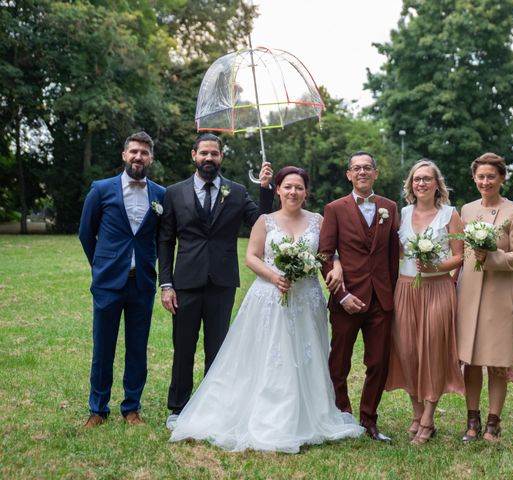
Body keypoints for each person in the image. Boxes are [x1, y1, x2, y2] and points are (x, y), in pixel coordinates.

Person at [169, 166, 364, 453]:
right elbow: (252, 256)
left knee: (307, 354)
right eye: (287, 187)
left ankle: (312, 413)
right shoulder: (265, 221)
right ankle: (268, 416)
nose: (293, 192)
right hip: (270, 296)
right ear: (278, 190)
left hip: (306, 298)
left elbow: (328, 253)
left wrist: (336, 266)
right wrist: (274, 277)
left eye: (298, 187)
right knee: (271, 355)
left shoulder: (318, 221)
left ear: (306, 192)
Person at [158, 133, 274, 429]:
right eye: (204, 153)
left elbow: (260, 222)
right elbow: (166, 240)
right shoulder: (174, 193)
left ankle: (214, 405)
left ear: (222, 157)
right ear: (193, 155)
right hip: (185, 281)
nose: (209, 158)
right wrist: (166, 284)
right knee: (183, 347)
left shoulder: (235, 192)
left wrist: (264, 190)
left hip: (222, 282)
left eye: (215, 153)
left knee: (219, 349)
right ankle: (179, 406)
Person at [78, 131, 165, 428]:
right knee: (103, 348)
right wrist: (101, 265)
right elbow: (85, 233)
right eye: (133, 152)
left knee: (137, 348)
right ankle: (97, 409)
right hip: (107, 283)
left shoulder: (160, 195)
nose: (138, 157)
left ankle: (131, 407)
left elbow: (160, 238)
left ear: (150, 158)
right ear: (124, 156)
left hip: (141, 283)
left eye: (144, 152)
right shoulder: (101, 190)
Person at [318, 151, 400, 443]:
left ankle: (369, 420)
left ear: (376, 173)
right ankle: (342, 414)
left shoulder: (389, 207)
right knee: (339, 362)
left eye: (368, 168)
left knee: (378, 362)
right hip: (346, 299)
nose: (362, 172)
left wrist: (390, 295)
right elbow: (325, 254)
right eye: (357, 168)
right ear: (348, 175)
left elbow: (393, 256)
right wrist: (341, 295)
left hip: (380, 300)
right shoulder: (334, 209)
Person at [385, 159, 465, 445]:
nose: (421, 183)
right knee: (407, 351)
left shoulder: (450, 215)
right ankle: (416, 412)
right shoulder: (402, 213)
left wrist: (436, 268)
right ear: (411, 184)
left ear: (437, 184)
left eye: (427, 179)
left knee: (432, 350)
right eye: (417, 179)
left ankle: (429, 418)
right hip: (405, 289)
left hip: (438, 289)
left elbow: (460, 255)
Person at [456, 152, 513, 442]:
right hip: (469, 294)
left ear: (501, 178)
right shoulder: (466, 210)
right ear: (474, 178)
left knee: (496, 362)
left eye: (491, 176)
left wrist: (492, 257)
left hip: (499, 296)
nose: (485, 181)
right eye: (480, 176)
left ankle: (493, 422)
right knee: (471, 359)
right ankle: (472, 420)